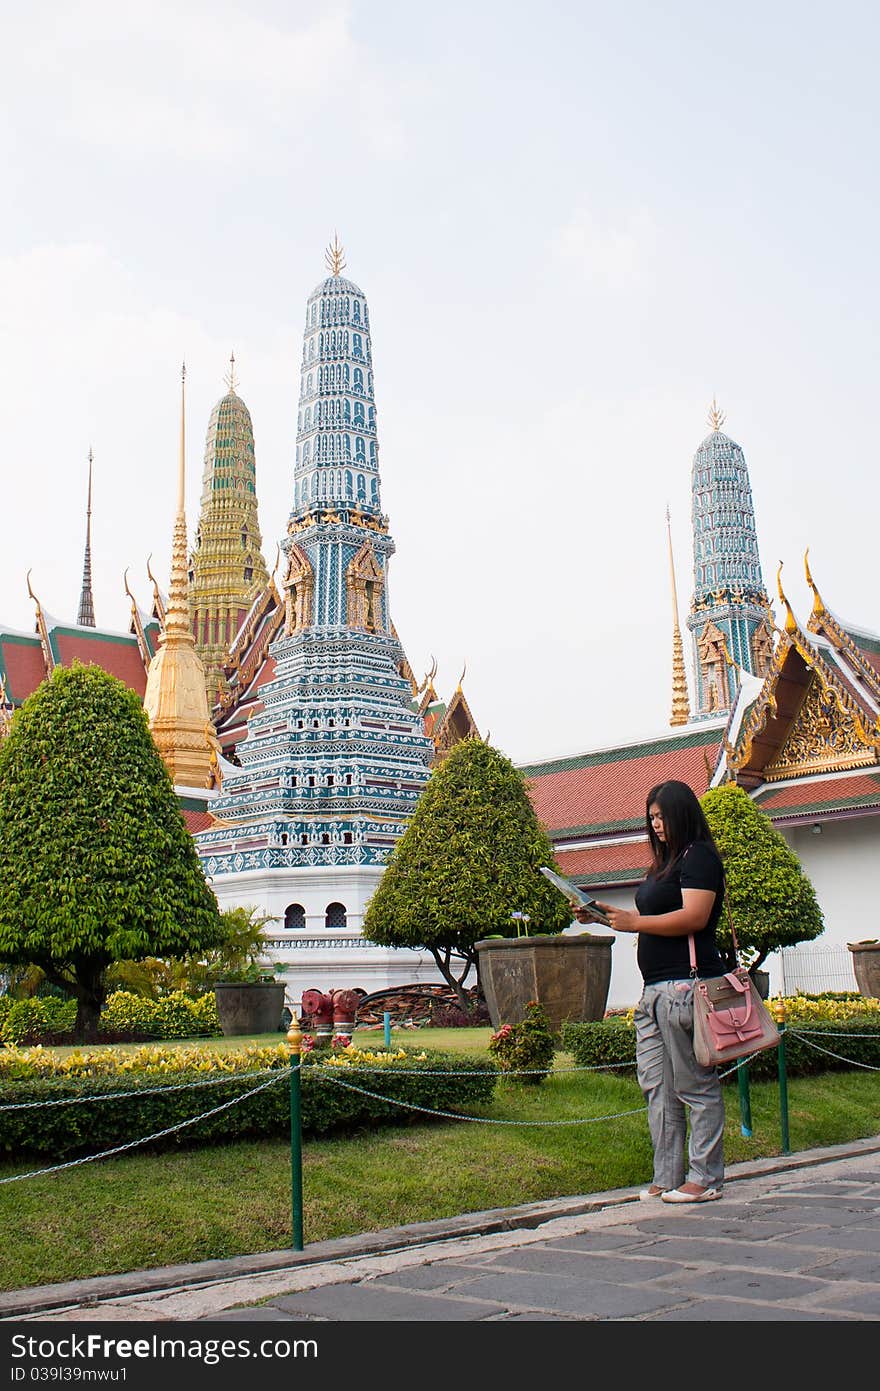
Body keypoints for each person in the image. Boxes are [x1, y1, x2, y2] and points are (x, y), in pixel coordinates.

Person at [574, 779, 727, 1203]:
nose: (656, 825)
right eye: (652, 817)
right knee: (658, 1087)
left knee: (695, 1085)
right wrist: (603, 918)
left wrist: (635, 922)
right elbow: (646, 916)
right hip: (654, 991)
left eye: (662, 816)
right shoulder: (665, 863)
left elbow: (694, 917)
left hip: (687, 986)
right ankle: (668, 1176)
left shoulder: (699, 858)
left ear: (681, 814)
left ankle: (706, 1177)